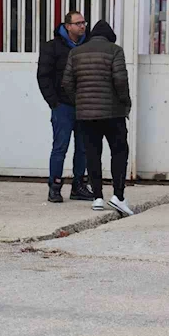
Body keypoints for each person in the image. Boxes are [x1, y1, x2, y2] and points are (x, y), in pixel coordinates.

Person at [62, 20, 134, 217]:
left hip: (86, 115)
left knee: (92, 154)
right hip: (113, 113)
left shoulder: (76, 52)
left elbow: (67, 82)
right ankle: (118, 196)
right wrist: (125, 102)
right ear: (110, 36)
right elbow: (120, 80)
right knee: (119, 152)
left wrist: (79, 100)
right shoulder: (115, 50)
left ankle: (97, 198)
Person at [36, 11, 94, 203]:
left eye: (83, 23)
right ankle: (55, 186)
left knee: (83, 148)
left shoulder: (88, 45)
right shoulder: (52, 48)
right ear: (67, 26)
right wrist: (53, 101)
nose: (82, 26)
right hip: (62, 106)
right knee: (60, 147)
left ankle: (79, 186)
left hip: (84, 104)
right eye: (77, 23)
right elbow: (43, 76)